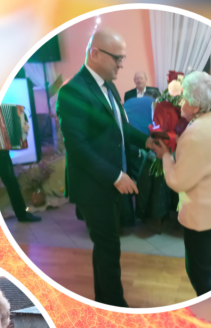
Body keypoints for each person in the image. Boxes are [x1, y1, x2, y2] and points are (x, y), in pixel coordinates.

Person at [56, 28, 152, 307]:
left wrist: (147, 141)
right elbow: (78, 148)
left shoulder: (108, 86)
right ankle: (115, 306)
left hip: (112, 181)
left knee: (109, 246)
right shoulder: (72, 91)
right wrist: (115, 175)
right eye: (117, 58)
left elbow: (122, 130)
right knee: (108, 245)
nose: (122, 65)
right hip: (93, 185)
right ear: (95, 53)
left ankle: (105, 300)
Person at [149, 71, 211, 297]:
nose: (180, 103)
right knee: (209, 259)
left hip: (202, 212)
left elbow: (178, 181)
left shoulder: (196, 133)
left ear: (198, 106)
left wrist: (165, 156)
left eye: (185, 98)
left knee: (198, 270)